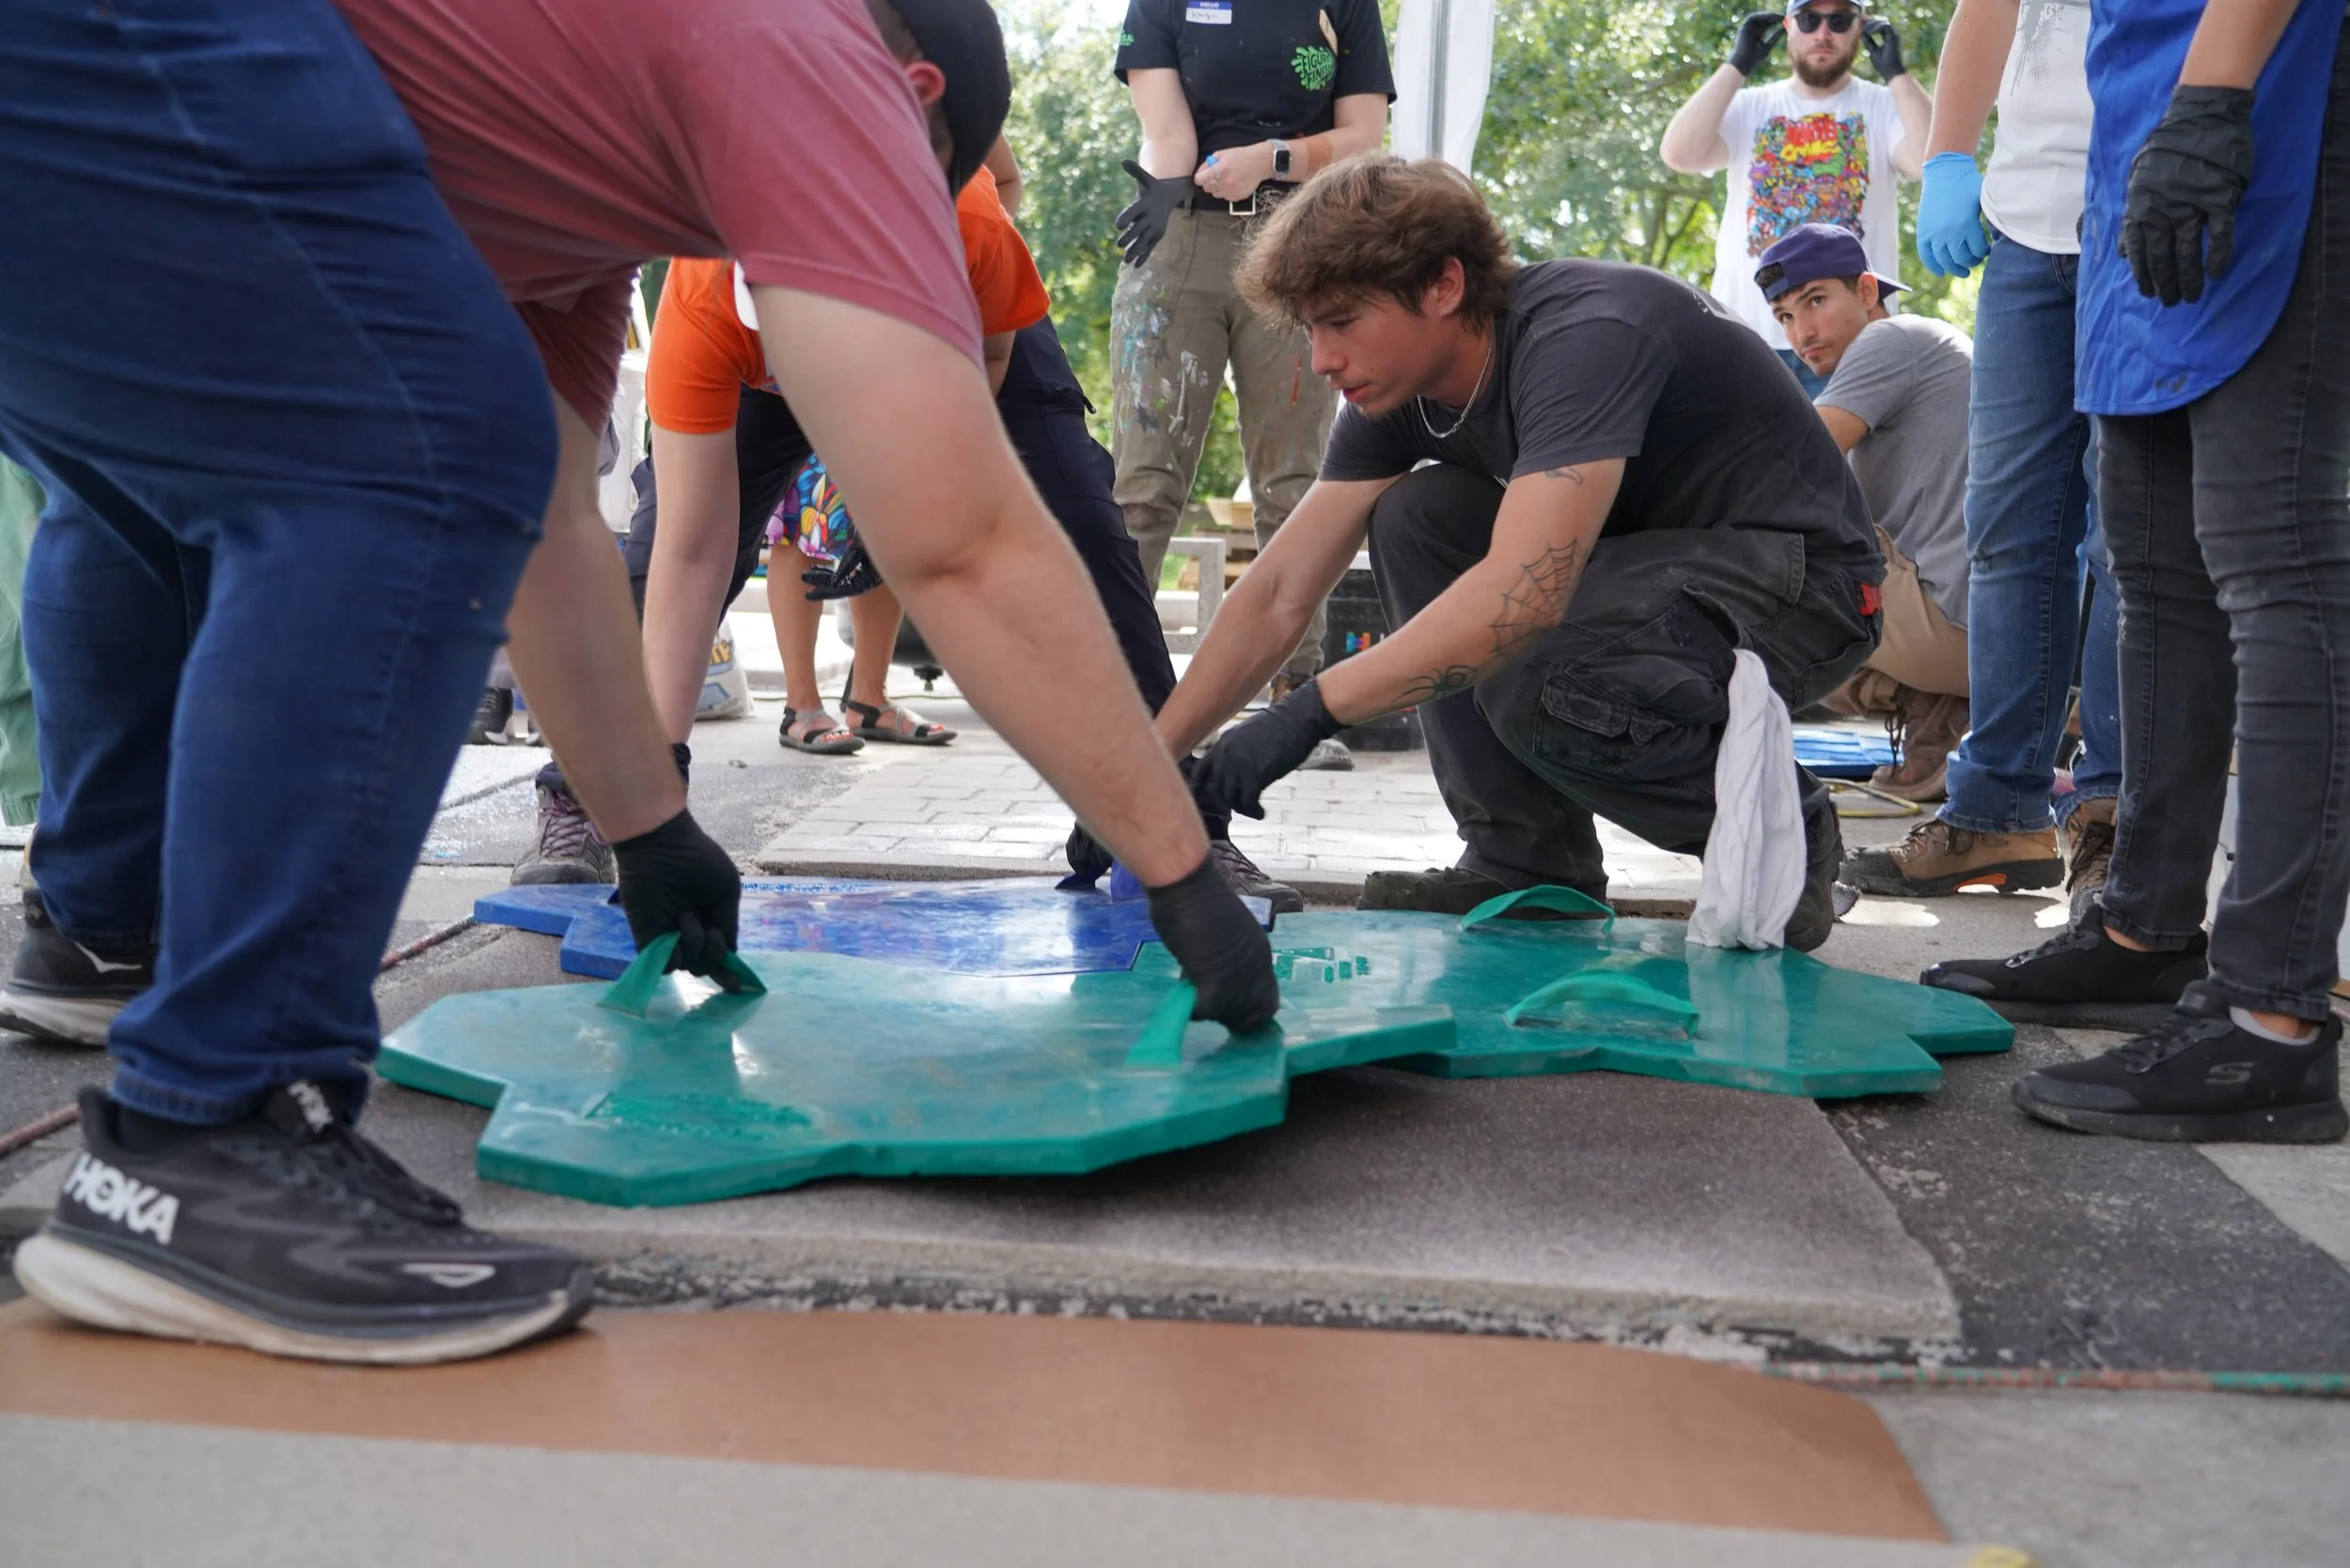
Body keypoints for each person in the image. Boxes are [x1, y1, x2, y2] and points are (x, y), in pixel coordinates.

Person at [2, 0, 1277, 1366]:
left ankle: (103, 931)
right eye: (916, 200)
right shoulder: (810, 49)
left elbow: (543, 516)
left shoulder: (559, 195)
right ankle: (215, 1126)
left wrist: (646, 826)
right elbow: (955, 537)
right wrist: (1175, 857)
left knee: (152, 492)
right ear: (906, 100)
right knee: (412, 451)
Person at [1146, 154, 1884, 948]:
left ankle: (1785, 841)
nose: (1322, 359)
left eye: (1343, 320)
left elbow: (1522, 599)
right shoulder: (1397, 388)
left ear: (1444, 286)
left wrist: (1303, 715)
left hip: (1810, 587)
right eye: (1310, 329)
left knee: (1537, 663)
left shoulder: (1585, 333)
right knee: (1416, 514)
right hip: (1646, 578)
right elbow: (1280, 591)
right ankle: (1526, 862)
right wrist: (1147, 773)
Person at [1923, 0, 2350, 1144]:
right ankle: (2142, 936)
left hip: (2265, 87)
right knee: (2154, 571)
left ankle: (2272, 1022)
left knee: (2275, 562)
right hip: (2131, 129)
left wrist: (2210, 96)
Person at [1873, 0, 2121, 911]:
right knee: (2008, 527)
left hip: (2145, 199)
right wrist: (1947, 155)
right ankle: (1995, 811)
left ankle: (2110, 817)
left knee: (2126, 539)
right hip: (2025, 222)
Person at [1109, 0, 1393, 763]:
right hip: (1180, 242)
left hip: (1299, 240)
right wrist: (1168, 185)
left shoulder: (1343, 6)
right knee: (1144, 484)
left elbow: (1365, 138)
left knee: (1296, 482)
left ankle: (1295, 700)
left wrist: (1274, 157)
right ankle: (1118, 698)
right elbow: (1169, 133)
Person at [1756, 225, 1972, 806]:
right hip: (1974, 630)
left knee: (1742, 577)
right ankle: (1935, 707)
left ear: (1869, 291)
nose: (1802, 331)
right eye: (1783, 316)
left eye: (1816, 301)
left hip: (1956, 622)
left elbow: (1786, 472)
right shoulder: (1908, 354)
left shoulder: (1891, 341)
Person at [1660, 0, 1931, 395]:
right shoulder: (1750, 106)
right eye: (1809, 20)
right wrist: (1736, 66)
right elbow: (1679, 154)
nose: (1823, 33)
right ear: (1788, 26)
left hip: (1851, 347)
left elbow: (1933, 162)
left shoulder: (1885, 106)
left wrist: (1898, 74)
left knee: (1849, 460)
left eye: (1839, 21)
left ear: (1861, 27)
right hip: (1748, 340)